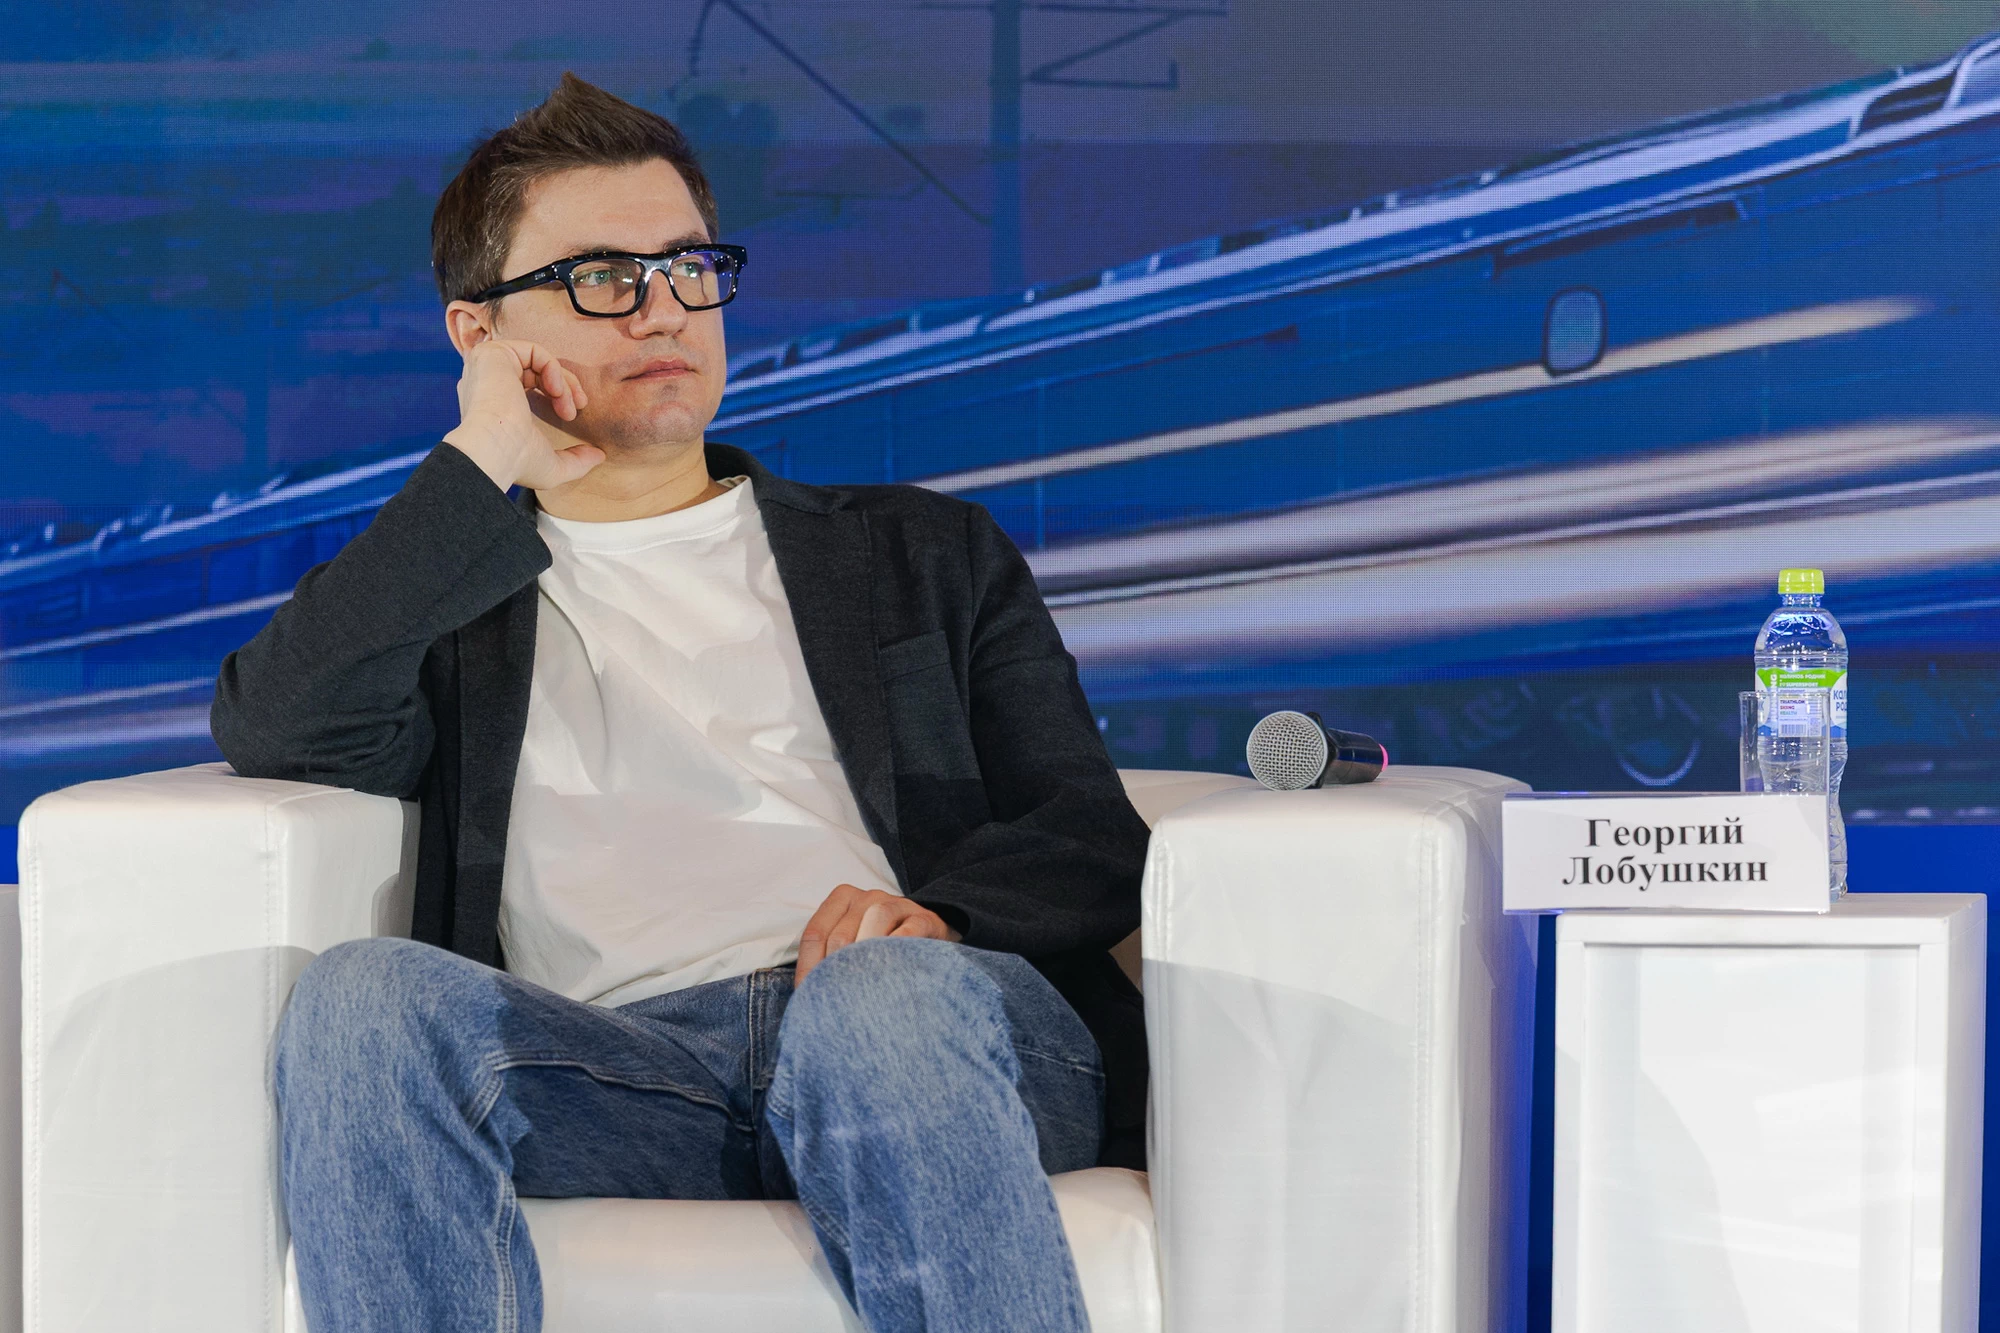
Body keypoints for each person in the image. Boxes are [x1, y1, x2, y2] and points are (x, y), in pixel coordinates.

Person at [209, 72, 1153, 1333]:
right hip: (618, 1071)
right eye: (602, 277)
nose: (662, 308)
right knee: (361, 1000)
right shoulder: (450, 605)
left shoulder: (919, 554)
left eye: (689, 267)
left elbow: (1088, 832)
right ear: (479, 335)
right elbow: (278, 722)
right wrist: (480, 459)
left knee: (876, 1000)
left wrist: (936, 920)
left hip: (927, 1030)